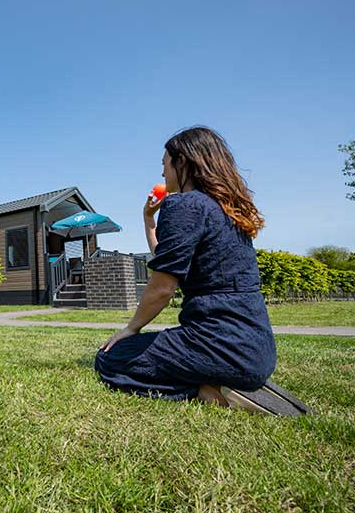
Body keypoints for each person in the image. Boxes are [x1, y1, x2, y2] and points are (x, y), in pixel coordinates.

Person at [94, 126, 288, 413]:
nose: (162, 174)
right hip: (256, 351)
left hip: (221, 346)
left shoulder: (185, 205)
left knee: (110, 358)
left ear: (182, 161)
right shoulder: (226, 209)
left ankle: (207, 389)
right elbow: (167, 259)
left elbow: (162, 287)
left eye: (164, 164)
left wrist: (131, 328)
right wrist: (149, 219)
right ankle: (224, 379)